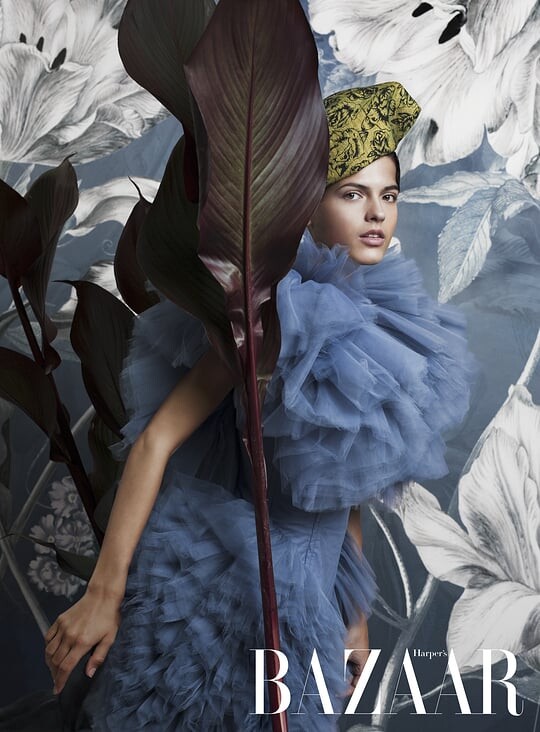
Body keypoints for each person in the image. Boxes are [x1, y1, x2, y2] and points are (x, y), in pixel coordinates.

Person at [43, 82, 478, 731]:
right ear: (305, 204)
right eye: (351, 193)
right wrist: (103, 593)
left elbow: (340, 481)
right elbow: (158, 439)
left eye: (388, 195)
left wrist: (354, 617)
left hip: (311, 595)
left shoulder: (383, 325)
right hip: (228, 581)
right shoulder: (273, 314)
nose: (376, 214)